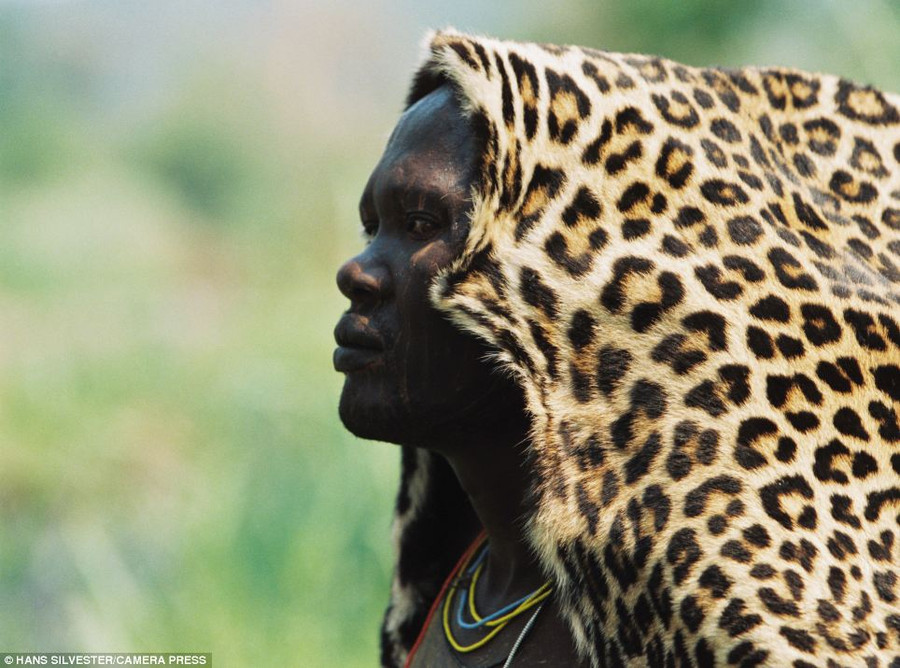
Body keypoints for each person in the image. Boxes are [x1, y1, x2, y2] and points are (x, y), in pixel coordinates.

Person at [335, 30, 900, 668]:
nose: (357, 271)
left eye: (421, 224)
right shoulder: (459, 583)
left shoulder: (716, 621)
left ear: (550, 279)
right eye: (372, 227)